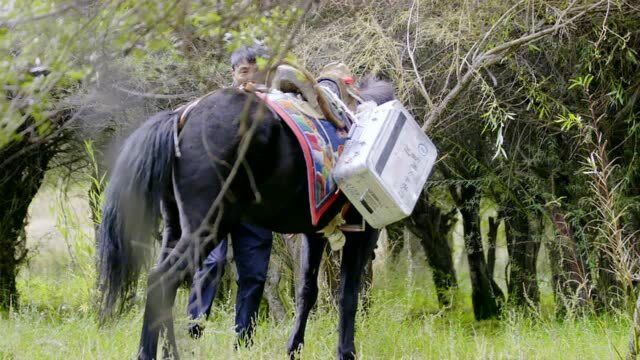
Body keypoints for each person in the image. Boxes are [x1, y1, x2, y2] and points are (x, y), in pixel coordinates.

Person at [186, 45, 273, 344]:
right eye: (243, 71)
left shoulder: (276, 109)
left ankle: (244, 338)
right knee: (212, 262)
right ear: (234, 74)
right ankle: (194, 327)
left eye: (255, 70)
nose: (249, 77)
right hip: (218, 203)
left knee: (255, 274)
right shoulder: (216, 106)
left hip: (256, 205)